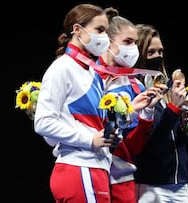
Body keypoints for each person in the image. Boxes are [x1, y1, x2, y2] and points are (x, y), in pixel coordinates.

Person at [33, 4, 114, 203]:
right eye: (99, 30)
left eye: (106, 31)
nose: (104, 37)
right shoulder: (62, 67)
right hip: (79, 167)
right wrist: (89, 140)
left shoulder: (93, 73)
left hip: (96, 168)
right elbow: (42, 123)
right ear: (77, 30)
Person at [95, 8, 167, 203]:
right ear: (108, 43)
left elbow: (133, 146)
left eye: (135, 43)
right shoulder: (89, 76)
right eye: (128, 42)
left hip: (121, 178)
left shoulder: (136, 84)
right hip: (90, 170)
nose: (133, 48)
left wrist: (146, 113)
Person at [133, 24, 188, 203]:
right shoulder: (136, 92)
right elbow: (149, 143)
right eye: (151, 53)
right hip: (151, 184)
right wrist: (173, 110)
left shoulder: (166, 87)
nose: (158, 57)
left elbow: (172, 140)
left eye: (160, 52)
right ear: (138, 54)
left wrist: (186, 130)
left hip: (179, 183)